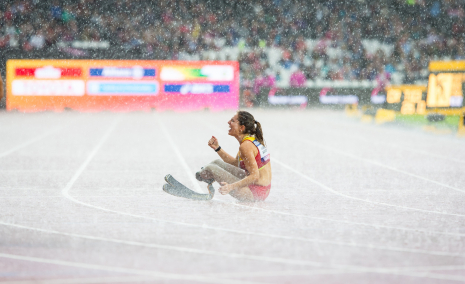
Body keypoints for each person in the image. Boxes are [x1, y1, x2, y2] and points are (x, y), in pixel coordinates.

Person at [197, 111, 272, 202]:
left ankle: (202, 175)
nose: (228, 122)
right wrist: (217, 148)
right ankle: (204, 174)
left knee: (211, 168)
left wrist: (230, 187)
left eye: (232, 121)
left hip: (254, 192)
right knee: (216, 162)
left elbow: (254, 176)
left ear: (241, 128)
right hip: (261, 189)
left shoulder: (246, 146)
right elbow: (236, 163)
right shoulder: (249, 140)